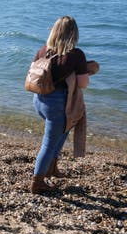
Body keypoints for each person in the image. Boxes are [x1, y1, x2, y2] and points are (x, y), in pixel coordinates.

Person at [30, 16, 98, 194]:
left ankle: (52, 167)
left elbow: (33, 72)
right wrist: (82, 72)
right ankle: (37, 182)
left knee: (64, 129)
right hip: (58, 105)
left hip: (39, 100)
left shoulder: (43, 50)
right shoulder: (76, 55)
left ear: (54, 31)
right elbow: (83, 84)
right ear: (73, 34)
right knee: (49, 143)